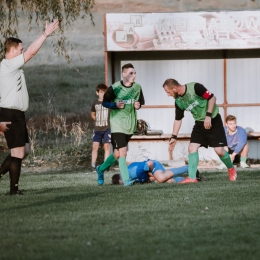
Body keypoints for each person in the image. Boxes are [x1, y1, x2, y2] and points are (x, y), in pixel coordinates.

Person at [0, 19, 59, 195]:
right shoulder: (9, 65)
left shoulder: (10, 67)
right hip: (10, 113)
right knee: (17, 152)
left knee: (23, 150)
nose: (23, 51)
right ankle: (13, 191)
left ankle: (11, 186)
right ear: (12, 51)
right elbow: (32, 52)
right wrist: (45, 33)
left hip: (17, 114)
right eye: (20, 49)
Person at [162, 79, 237, 183]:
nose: (168, 95)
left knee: (219, 151)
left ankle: (231, 168)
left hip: (213, 120)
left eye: (168, 92)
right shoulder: (178, 101)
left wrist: (208, 116)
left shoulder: (195, 87)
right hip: (199, 124)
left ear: (174, 88)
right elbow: (178, 119)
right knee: (192, 148)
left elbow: (212, 98)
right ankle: (192, 178)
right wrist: (174, 137)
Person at [95, 63, 145, 186]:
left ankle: (100, 169)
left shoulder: (137, 87)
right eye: (131, 73)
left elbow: (140, 102)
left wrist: (138, 106)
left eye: (135, 73)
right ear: (123, 74)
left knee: (117, 153)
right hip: (117, 124)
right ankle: (126, 181)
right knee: (123, 152)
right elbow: (105, 103)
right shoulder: (115, 88)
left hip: (130, 124)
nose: (134, 75)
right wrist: (114, 105)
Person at [111, 160, 203, 184]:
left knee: (161, 178)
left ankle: (188, 168)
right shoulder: (131, 176)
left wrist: (155, 174)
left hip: (154, 165)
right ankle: (192, 179)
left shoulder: (134, 172)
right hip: (150, 172)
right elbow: (147, 178)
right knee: (167, 181)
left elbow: (150, 164)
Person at [90, 84, 111, 169]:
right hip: (98, 128)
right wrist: (97, 120)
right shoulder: (95, 103)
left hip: (107, 128)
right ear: (97, 93)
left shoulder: (109, 103)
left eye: (105, 92)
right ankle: (93, 164)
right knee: (95, 146)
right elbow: (92, 114)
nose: (103, 94)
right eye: (101, 92)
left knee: (107, 146)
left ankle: (106, 165)